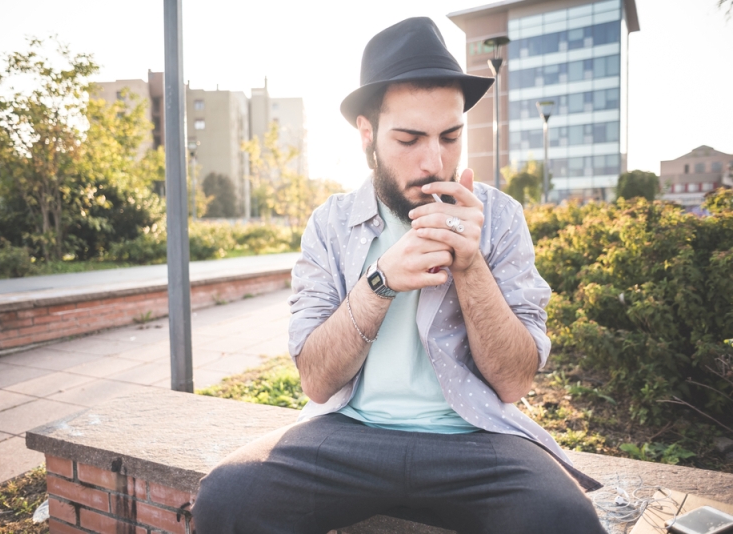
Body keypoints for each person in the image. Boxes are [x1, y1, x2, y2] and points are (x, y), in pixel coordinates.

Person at [192, 17, 605, 534]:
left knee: (563, 519)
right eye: (409, 138)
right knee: (227, 499)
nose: (435, 161)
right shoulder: (330, 223)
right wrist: (380, 281)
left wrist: (470, 264)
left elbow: (515, 380)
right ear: (367, 134)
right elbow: (317, 381)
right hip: (350, 433)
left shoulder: (500, 218)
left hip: (475, 438)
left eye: (451, 137)